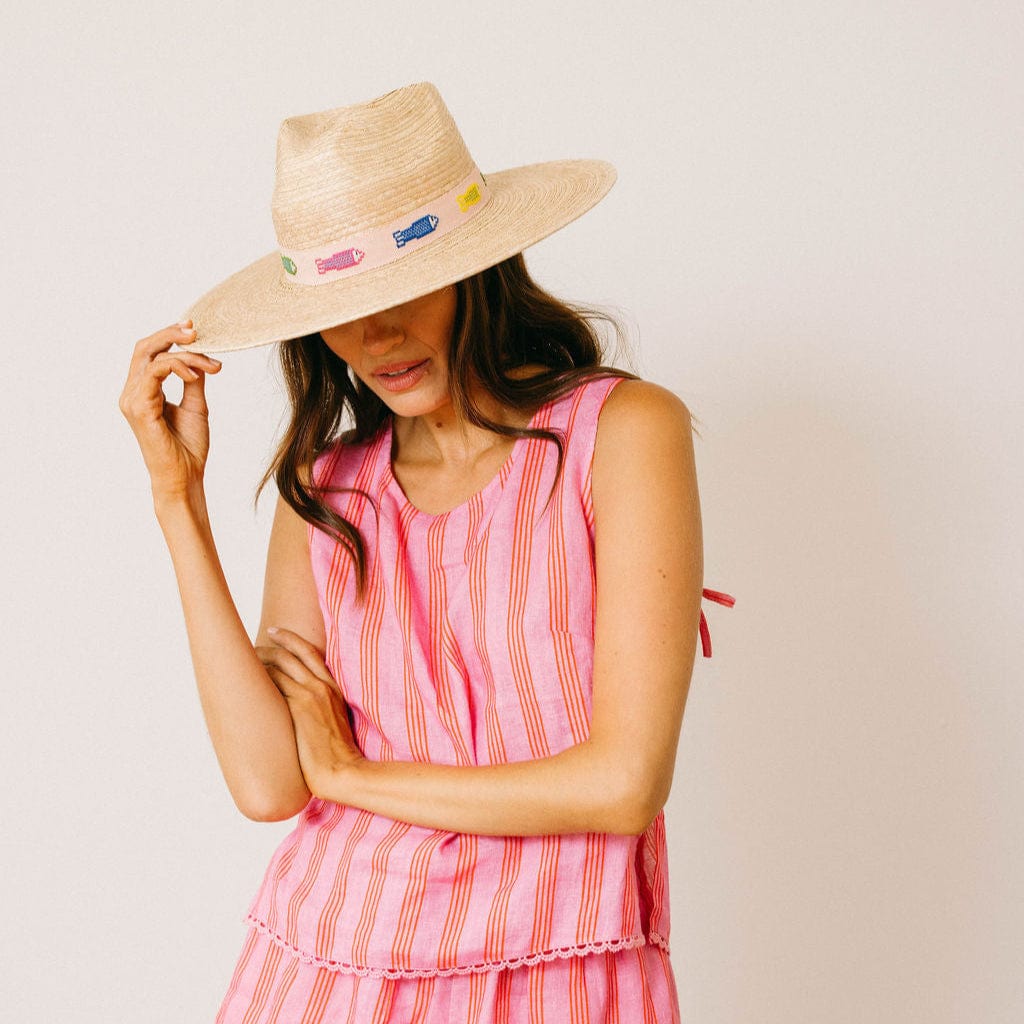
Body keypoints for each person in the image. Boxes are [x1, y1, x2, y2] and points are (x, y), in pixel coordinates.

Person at [119, 82, 734, 1024]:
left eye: (404, 288)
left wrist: (356, 777)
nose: (376, 336)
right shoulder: (328, 492)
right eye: (343, 304)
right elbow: (269, 780)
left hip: (559, 966)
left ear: (479, 270)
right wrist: (178, 504)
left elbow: (622, 784)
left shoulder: (624, 433)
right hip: (328, 963)